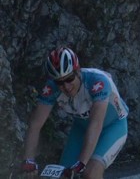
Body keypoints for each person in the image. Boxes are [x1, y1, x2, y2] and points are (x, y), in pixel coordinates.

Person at [16, 47, 129, 179]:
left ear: (78, 71)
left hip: (112, 127)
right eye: (59, 82)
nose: (66, 86)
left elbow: (96, 124)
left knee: (91, 172)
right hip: (81, 129)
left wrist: (82, 162)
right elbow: (35, 124)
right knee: (62, 175)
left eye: (69, 79)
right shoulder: (51, 88)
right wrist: (29, 160)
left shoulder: (97, 82)